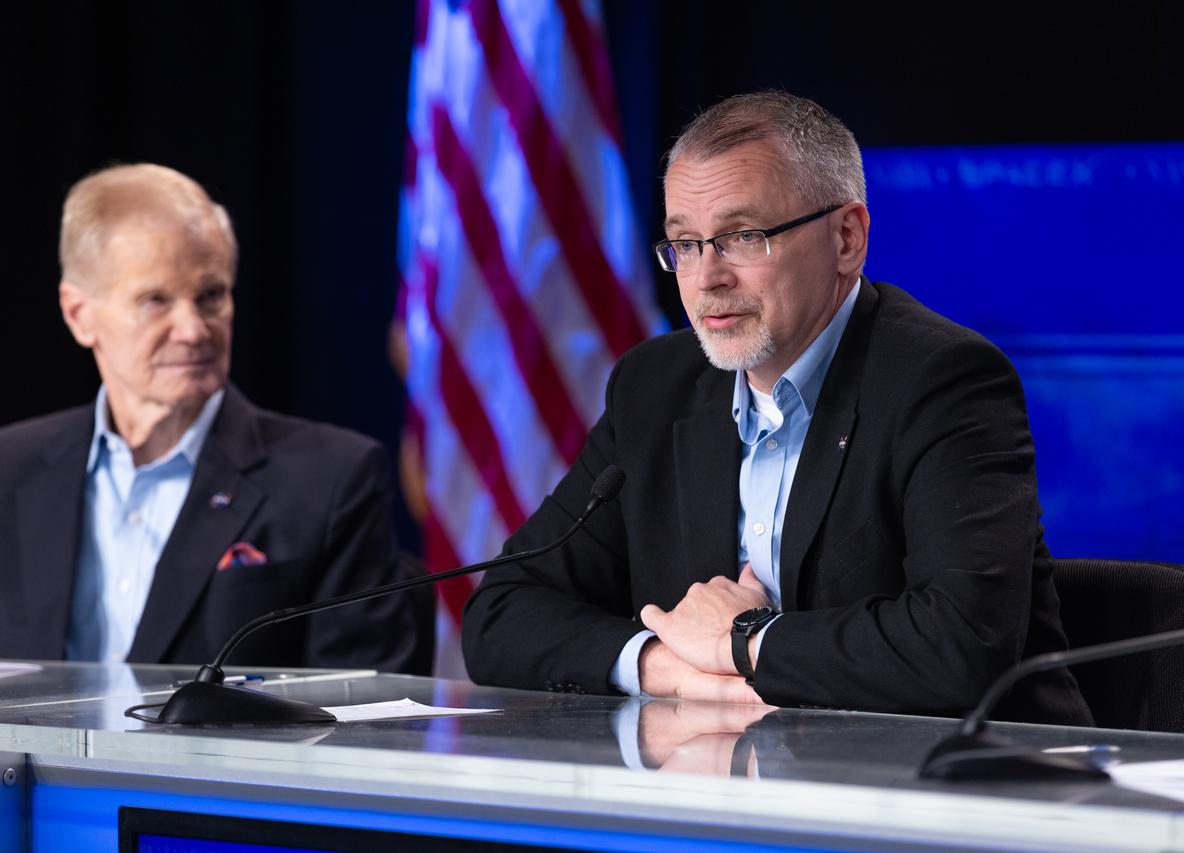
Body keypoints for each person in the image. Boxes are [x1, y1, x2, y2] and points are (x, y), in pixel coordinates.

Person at [462, 92, 1091, 724]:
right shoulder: (655, 386)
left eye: (742, 236)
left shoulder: (942, 381)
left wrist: (744, 639)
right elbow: (503, 611)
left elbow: (961, 646)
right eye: (684, 243)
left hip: (963, 787)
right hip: (733, 787)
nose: (706, 277)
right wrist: (667, 665)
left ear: (847, 238)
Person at [0, 164, 430, 674]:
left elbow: (361, 712)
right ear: (79, 315)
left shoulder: (331, 479)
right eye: (155, 300)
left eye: (211, 297)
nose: (194, 330)